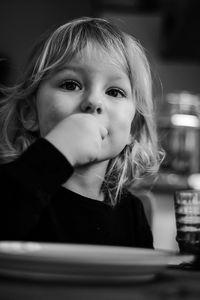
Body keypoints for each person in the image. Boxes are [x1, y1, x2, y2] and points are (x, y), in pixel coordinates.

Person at [0, 17, 162, 248]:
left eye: (114, 91)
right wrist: (56, 153)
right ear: (30, 113)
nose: (93, 101)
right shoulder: (12, 188)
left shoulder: (132, 212)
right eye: (71, 85)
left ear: (133, 128)